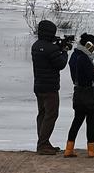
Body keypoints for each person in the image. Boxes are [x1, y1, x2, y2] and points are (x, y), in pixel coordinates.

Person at [63, 33, 94, 158]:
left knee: (76, 121)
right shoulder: (84, 58)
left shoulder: (74, 56)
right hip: (89, 95)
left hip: (78, 93)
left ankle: (69, 149)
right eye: (93, 45)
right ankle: (91, 151)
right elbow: (92, 76)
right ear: (88, 45)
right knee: (91, 122)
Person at [31, 19, 70, 155]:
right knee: (52, 114)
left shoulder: (36, 46)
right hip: (50, 87)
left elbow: (48, 56)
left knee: (42, 114)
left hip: (39, 86)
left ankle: (43, 142)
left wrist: (57, 48)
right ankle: (42, 144)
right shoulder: (51, 48)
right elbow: (61, 64)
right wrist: (64, 51)